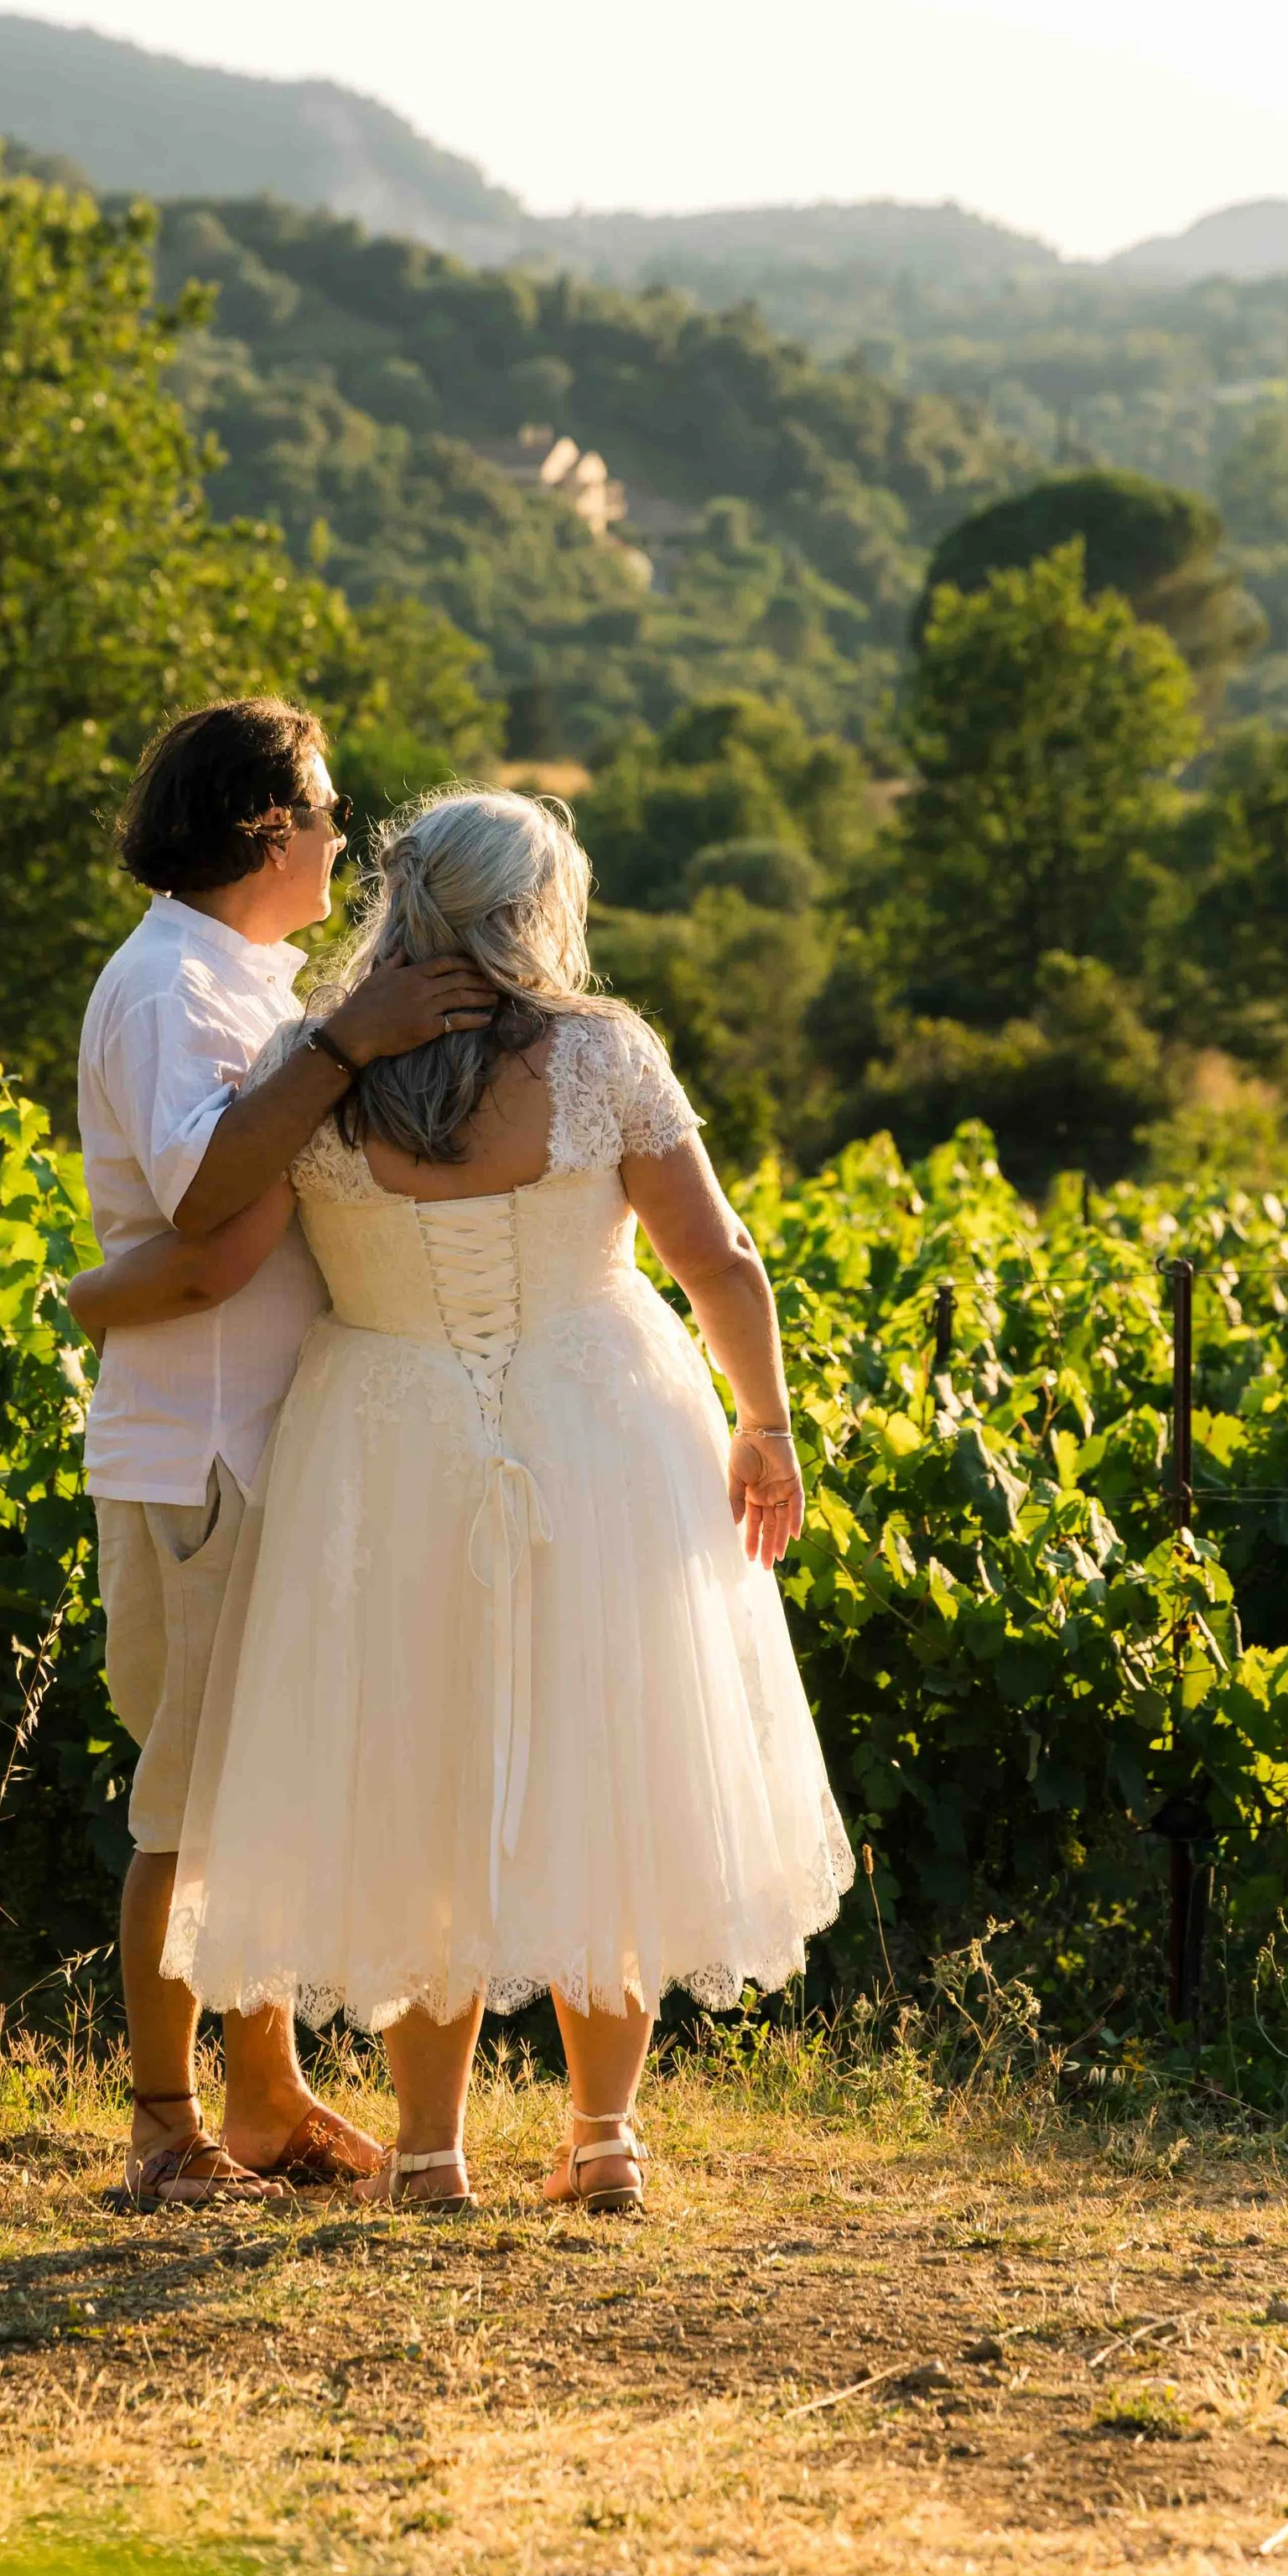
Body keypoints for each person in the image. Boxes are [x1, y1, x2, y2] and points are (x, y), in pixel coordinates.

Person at [71, 786, 853, 2216]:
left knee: (413, 1780)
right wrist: (766, 1421)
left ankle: (430, 2151)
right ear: (535, 908)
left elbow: (217, 1248)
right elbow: (722, 1260)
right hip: (600, 1422)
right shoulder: (607, 1056)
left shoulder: (315, 1078)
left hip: (385, 1440)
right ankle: (604, 2138)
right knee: (603, 1762)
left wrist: (88, 1299)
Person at [77, 700, 496, 2206]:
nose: (338, 834)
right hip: (198, 1449)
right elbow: (205, 1209)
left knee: (245, 1785)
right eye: (322, 809)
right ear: (263, 828)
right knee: (185, 1802)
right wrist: (342, 1041)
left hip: (254, 1440)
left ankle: (264, 2100)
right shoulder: (170, 990)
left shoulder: (232, 974)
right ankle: (163, 2128)